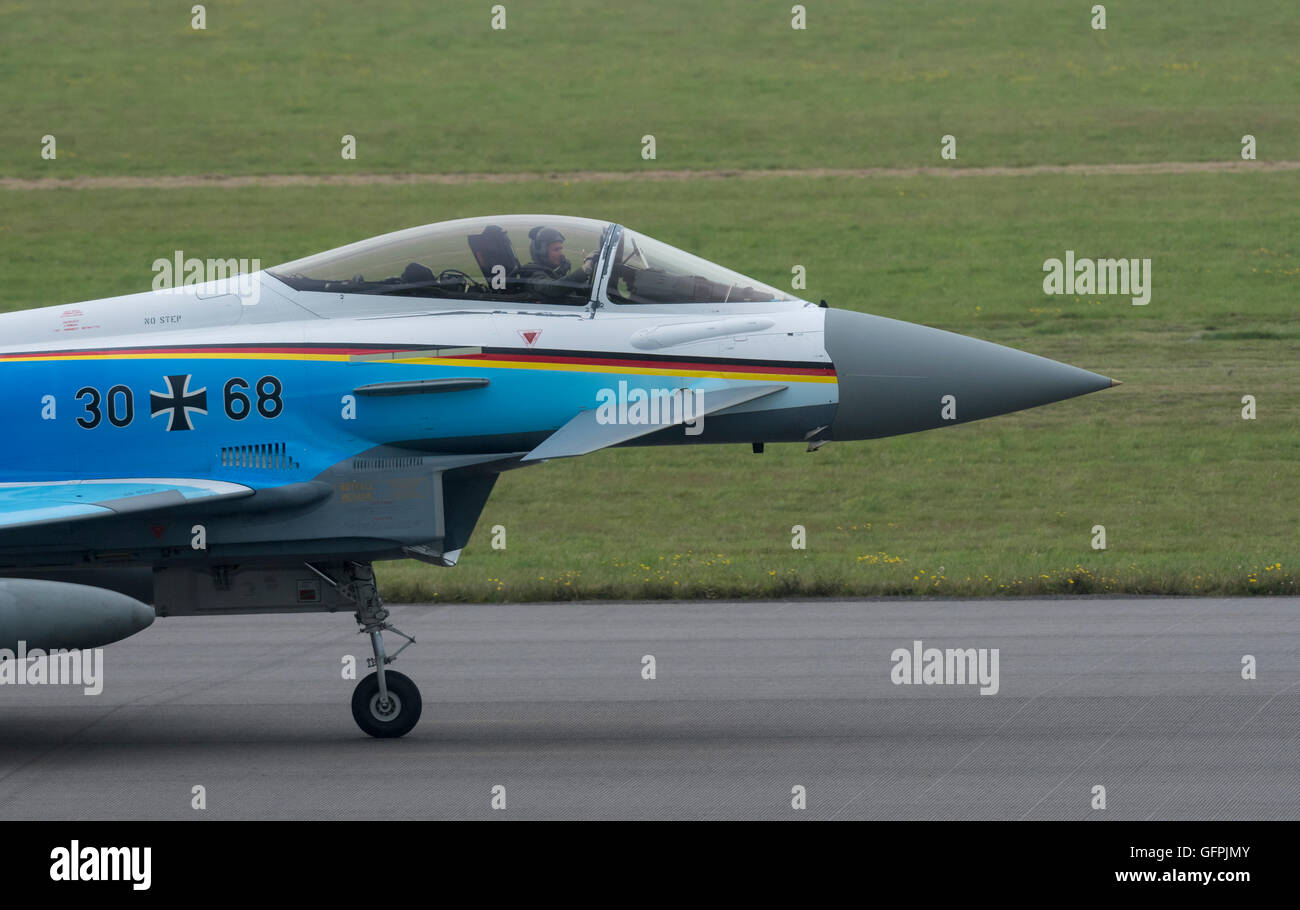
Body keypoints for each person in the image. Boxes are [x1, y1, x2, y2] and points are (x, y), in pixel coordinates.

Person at [514, 226, 598, 303]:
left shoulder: (551, 274)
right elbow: (553, 288)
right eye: (556, 249)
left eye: (561, 248)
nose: (561, 253)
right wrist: (584, 270)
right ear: (542, 252)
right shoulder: (533, 276)